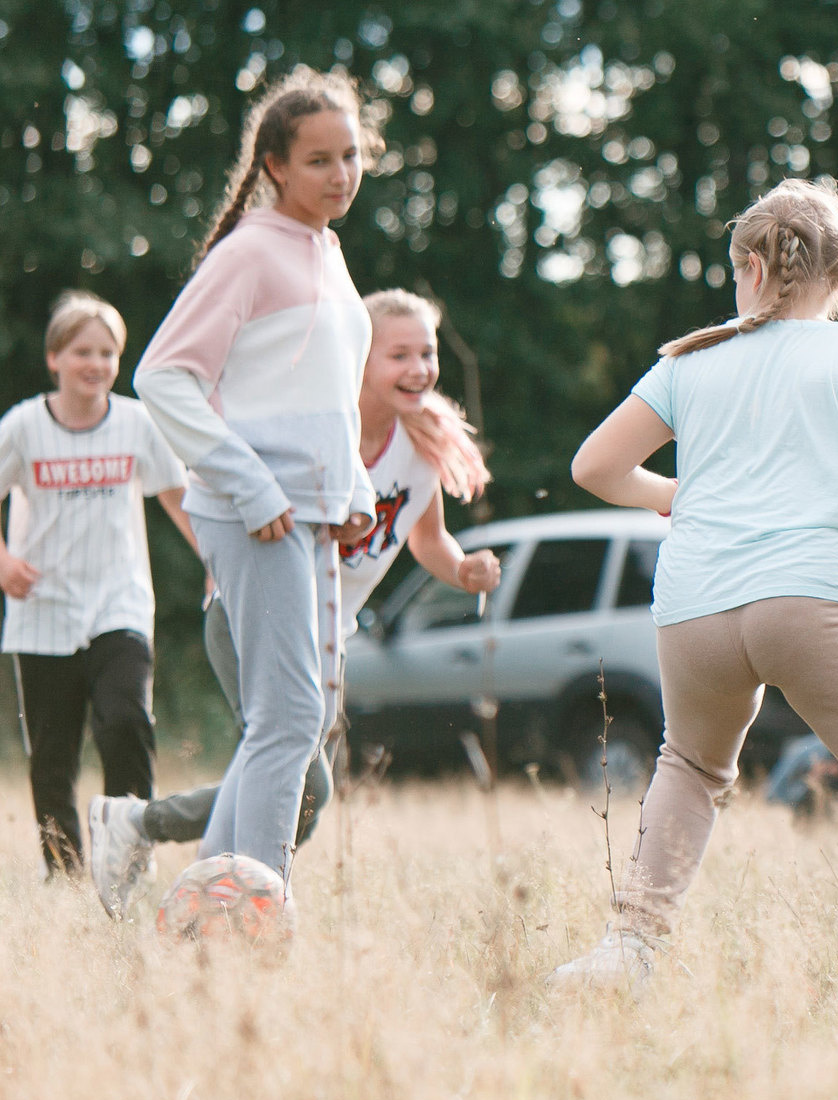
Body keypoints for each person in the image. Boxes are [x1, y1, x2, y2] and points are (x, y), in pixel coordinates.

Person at [548, 178, 838, 991]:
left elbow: (593, 465)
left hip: (694, 607)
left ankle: (626, 950)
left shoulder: (690, 359)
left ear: (749, 267)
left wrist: (674, 494)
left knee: (689, 767)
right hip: (811, 599)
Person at [87, 289, 504, 916]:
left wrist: (463, 569)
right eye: (399, 355)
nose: (419, 368)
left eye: (427, 353)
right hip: (249, 614)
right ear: (357, 357)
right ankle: (203, 879)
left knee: (303, 792)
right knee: (297, 775)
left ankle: (186, 864)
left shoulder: (422, 442)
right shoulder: (314, 429)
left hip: (327, 634)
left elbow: (427, 537)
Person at [132, 67, 381, 937]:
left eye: (351, 155)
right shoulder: (248, 251)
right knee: (291, 717)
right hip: (254, 512)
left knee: (284, 720)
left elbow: (326, 391)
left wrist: (351, 489)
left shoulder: (327, 250)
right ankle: (257, 915)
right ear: (273, 164)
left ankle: (213, 909)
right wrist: (251, 483)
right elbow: (162, 377)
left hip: (309, 512)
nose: (340, 174)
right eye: (319, 160)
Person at [0, 293, 191, 874]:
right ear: (54, 357)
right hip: (43, 609)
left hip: (118, 602)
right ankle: (65, 874)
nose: (96, 363)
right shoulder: (24, 426)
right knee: (52, 757)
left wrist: (218, 561)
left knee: (127, 722)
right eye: (82, 351)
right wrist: (3, 561)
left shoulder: (135, 422)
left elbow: (178, 497)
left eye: (107, 353)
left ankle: (128, 861)